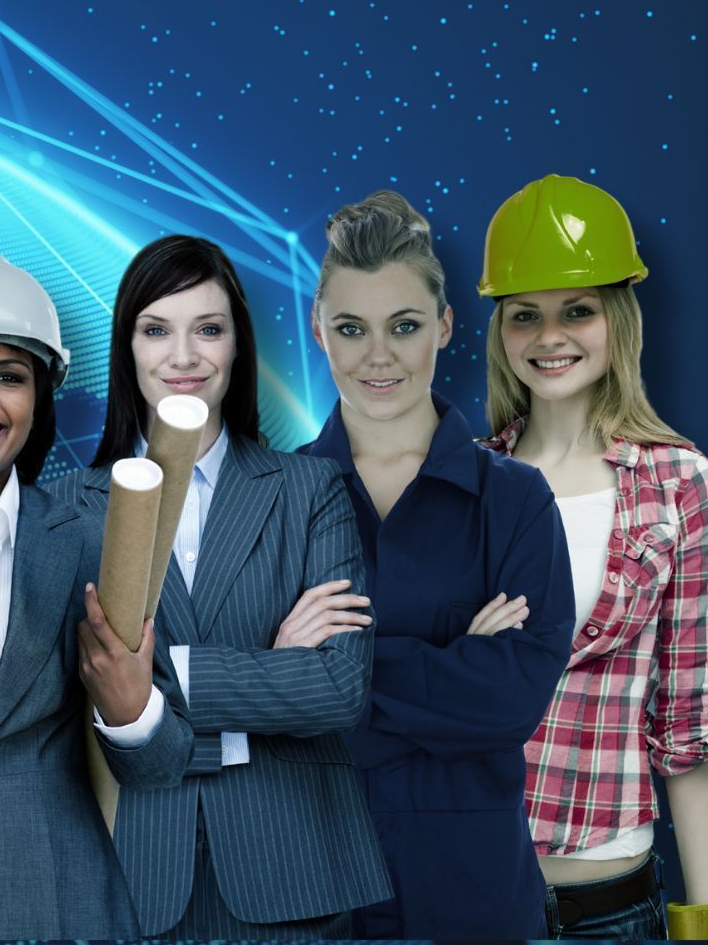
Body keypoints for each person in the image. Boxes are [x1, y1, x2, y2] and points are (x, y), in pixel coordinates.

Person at [68, 234, 392, 938]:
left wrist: (157, 677)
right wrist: (273, 670)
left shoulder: (311, 490)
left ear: (237, 345)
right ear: (128, 347)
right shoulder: (67, 507)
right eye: (157, 330)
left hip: (293, 868)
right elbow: (75, 694)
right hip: (132, 870)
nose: (183, 358)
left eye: (207, 329)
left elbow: (337, 690)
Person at [298, 190, 575, 938]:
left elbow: (514, 703)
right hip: (312, 901)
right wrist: (451, 666)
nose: (378, 355)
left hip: (475, 900)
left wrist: (322, 675)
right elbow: (243, 707)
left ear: (445, 327)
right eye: (352, 328)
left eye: (405, 326)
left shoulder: (515, 501)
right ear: (320, 330)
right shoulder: (270, 502)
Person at [0, 248, 178, 938]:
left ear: (39, 400)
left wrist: (130, 706)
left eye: (10, 376)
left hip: (64, 897)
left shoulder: (93, 544)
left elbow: (162, 765)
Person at [476, 175, 706, 937]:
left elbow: (688, 729)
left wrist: (700, 921)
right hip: (470, 888)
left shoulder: (679, 484)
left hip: (613, 901)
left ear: (618, 317)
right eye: (524, 316)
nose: (550, 338)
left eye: (577, 310)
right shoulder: (461, 482)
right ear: (499, 330)